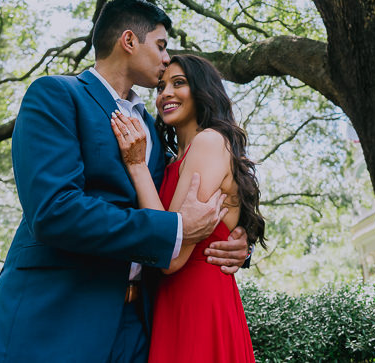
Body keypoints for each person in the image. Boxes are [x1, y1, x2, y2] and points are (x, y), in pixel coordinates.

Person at [0, 0, 250, 363]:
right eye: (161, 46)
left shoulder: (152, 129)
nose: (166, 58)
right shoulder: (57, 95)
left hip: (139, 328)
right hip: (56, 318)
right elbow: (55, 211)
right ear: (129, 41)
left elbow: (180, 197)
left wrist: (233, 242)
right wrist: (174, 232)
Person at [111, 54, 264, 363]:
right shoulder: (169, 160)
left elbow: (170, 254)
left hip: (199, 300)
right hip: (167, 301)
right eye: (161, 86)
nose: (165, 93)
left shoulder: (209, 142)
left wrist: (137, 167)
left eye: (178, 83)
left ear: (203, 91)